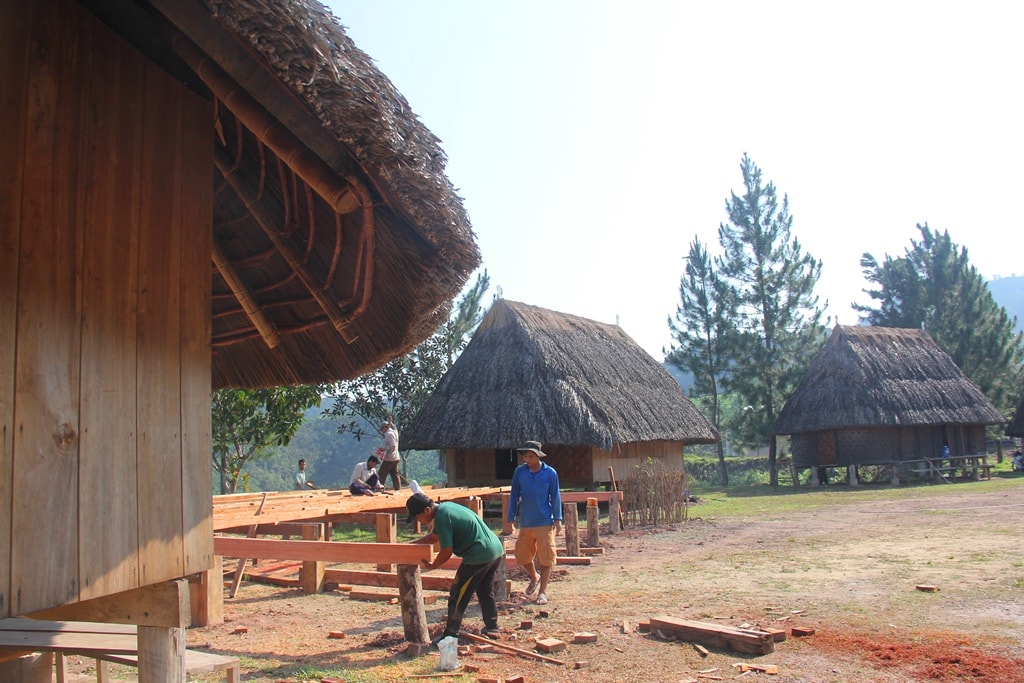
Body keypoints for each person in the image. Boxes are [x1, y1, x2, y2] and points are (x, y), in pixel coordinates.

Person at [406, 492, 504, 644]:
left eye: (418, 517)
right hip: (494, 550)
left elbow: (446, 551)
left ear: (426, 510)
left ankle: (451, 635)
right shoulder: (446, 508)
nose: (418, 521)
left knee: (457, 595)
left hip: (478, 556)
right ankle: (492, 627)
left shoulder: (442, 517)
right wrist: (410, 546)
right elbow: (433, 537)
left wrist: (433, 565)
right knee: (485, 590)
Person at [506, 440, 562, 605]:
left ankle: (542, 592)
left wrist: (558, 519)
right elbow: (514, 495)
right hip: (526, 521)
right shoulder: (520, 472)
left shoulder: (550, 473)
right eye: (525, 456)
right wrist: (510, 518)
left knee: (546, 558)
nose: (527, 459)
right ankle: (533, 576)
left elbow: (555, 495)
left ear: (538, 456)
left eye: (531, 456)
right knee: (522, 555)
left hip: (544, 521)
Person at [377, 418, 401, 490]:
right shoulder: (394, 431)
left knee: (381, 474)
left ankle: (379, 488)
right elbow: (394, 427)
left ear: (385, 428)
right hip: (396, 457)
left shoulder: (389, 434)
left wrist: (384, 449)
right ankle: (398, 488)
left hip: (390, 458)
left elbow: (392, 445)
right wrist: (390, 422)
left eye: (382, 429)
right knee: (395, 474)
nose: (382, 431)